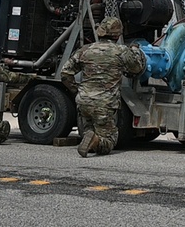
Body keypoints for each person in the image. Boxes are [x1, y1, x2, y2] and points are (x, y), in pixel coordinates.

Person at [61, 16, 146, 157]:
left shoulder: (85, 50)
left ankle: (90, 138)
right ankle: (94, 141)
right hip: (104, 104)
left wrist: (76, 90)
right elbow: (136, 68)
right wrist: (135, 50)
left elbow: (65, 72)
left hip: (83, 101)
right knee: (109, 141)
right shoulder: (121, 51)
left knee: (89, 130)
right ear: (118, 34)